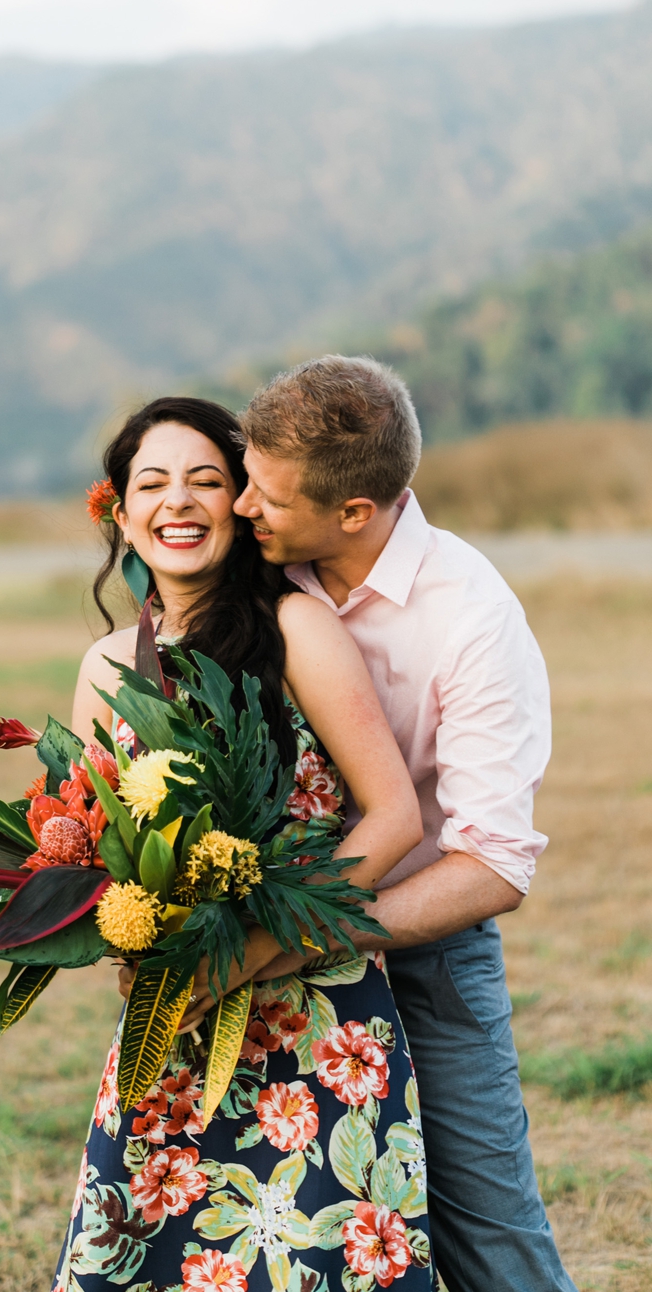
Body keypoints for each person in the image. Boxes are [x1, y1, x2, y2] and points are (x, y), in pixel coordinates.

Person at [53, 396, 435, 1292]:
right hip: (174, 1019)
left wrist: (258, 948)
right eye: (152, 483)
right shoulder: (107, 665)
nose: (177, 502)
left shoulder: (298, 629)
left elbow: (392, 818)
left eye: (206, 482)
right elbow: (82, 845)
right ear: (118, 508)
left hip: (315, 1011)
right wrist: (117, 935)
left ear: (243, 503)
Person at [229, 355, 576, 1292]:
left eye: (267, 495)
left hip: (423, 946)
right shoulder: (255, 574)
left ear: (356, 511)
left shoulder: (469, 617)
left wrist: (304, 937)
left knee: (486, 1225)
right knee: (283, 1230)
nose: (240, 507)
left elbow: (495, 864)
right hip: (247, 947)